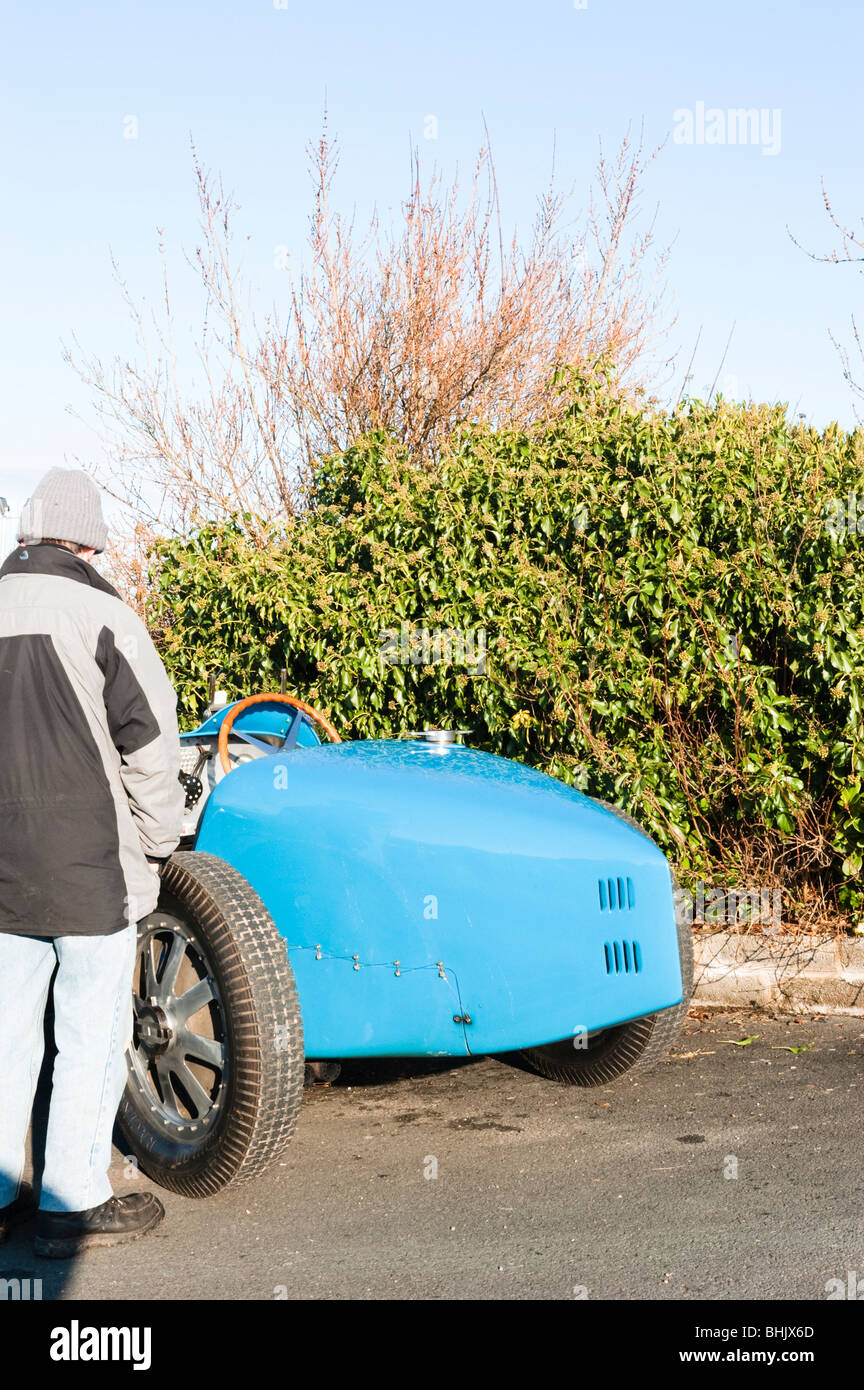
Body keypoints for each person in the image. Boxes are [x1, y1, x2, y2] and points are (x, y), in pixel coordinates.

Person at [0, 468, 184, 1257]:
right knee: (89, 1029)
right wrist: (161, 838)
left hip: (3, 871)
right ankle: (71, 1200)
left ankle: (4, 1192)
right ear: (85, 541)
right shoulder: (105, 613)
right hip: (87, 868)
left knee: (8, 1035)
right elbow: (149, 745)